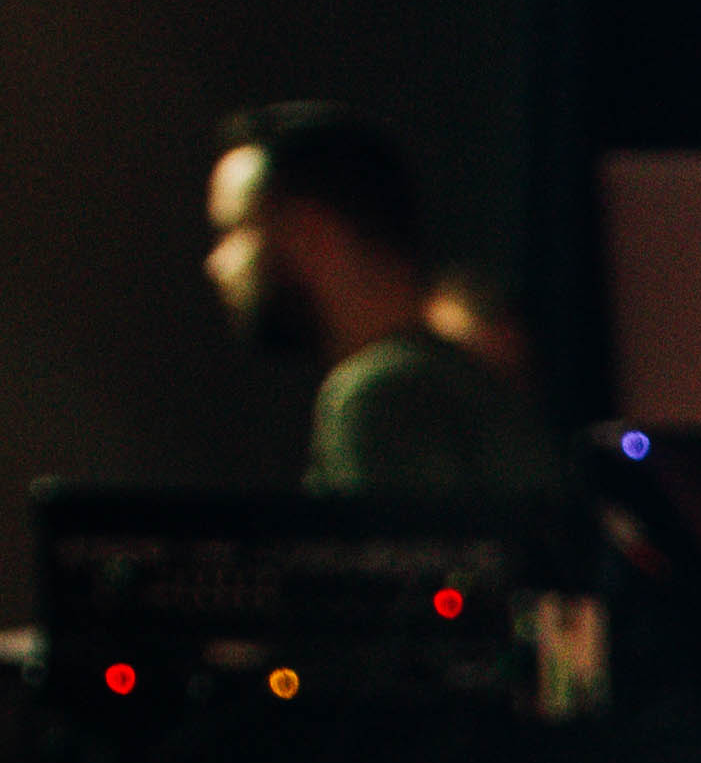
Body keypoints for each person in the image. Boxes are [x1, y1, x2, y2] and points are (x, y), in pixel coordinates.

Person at [203, 102, 563, 501]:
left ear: (311, 234)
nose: (215, 263)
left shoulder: (378, 397)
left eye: (235, 230)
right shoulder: (463, 382)